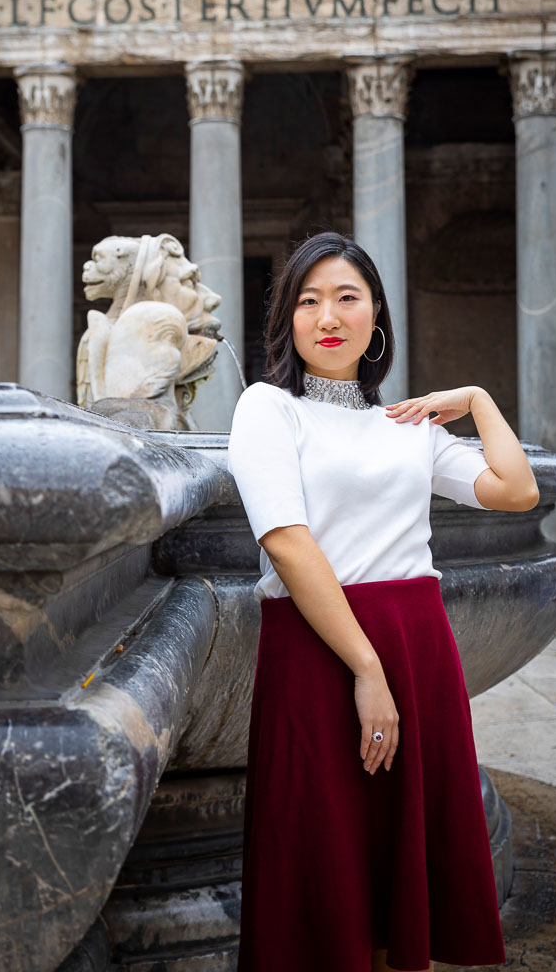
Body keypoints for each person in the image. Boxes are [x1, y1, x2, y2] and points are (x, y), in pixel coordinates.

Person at [227, 231, 539, 972]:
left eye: (346, 297)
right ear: (288, 320)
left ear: (375, 320)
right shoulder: (268, 408)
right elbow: (287, 543)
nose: (327, 316)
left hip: (417, 649)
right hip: (318, 647)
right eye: (308, 301)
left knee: (399, 885)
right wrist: (367, 670)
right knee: (323, 857)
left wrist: (477, 400)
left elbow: (518, 489)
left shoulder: (409, 430)